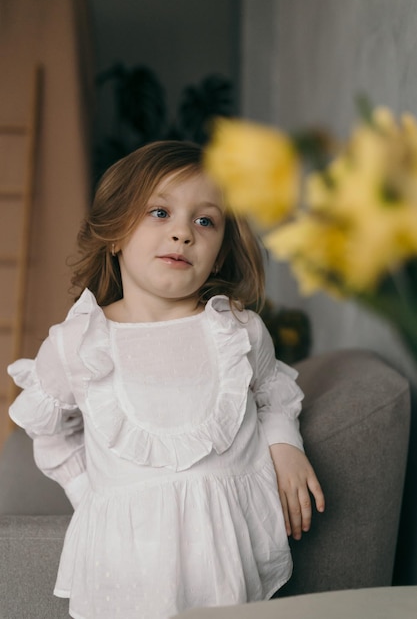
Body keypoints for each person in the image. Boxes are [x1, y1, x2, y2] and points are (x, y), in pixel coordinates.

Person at [7, 140, 325, 619]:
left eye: (205, 220)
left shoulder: (236, 331)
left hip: (225, 555)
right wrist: (88, 494)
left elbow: (272, 395)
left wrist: (286, 446)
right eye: (160, 212)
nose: (182, 233)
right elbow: (48, 430)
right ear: (114, 234)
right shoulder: (79, 342)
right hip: (127, 563)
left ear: (219, 256)